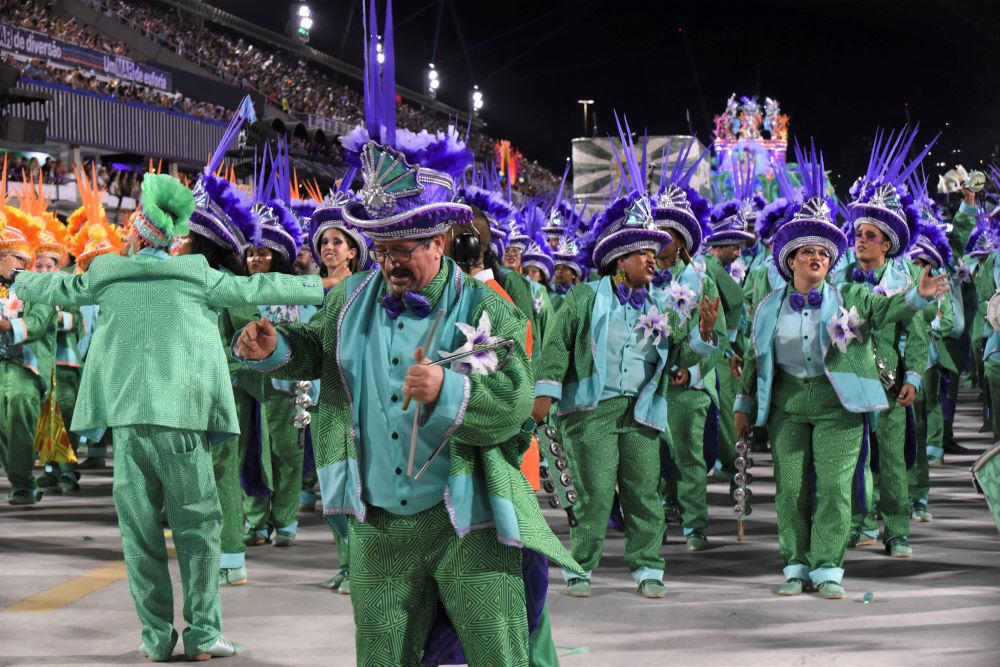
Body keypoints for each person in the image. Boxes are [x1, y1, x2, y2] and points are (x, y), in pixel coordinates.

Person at [236, 12, 579, 662]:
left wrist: (447, 386)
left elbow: (511, 401)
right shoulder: (350, 300)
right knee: (382, 650)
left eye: (404, 247)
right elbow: (319, 353)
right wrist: (276, 348)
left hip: (466, 517)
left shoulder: (486, 306)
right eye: (381, 246)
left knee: (499, 648)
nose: (389, 260)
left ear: (441, 240)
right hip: (379, 524)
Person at [13, 172, 324, 660]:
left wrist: (16, 275)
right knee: (197, 531)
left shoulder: (107, 272)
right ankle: (203, 635)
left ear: (137, 234)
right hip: (180, 422)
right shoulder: (195, 273)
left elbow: (55, 286)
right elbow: (259, 285)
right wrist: (321, 286)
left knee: (139, 536)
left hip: (128, 425)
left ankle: (155, 639)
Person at [734, 142, 949, 599]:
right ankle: (795, 564)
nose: (817, 257)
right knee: (791, 490)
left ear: (831, 265)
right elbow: (755, 358)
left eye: (824, 253)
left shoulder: (849, 297)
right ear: (790, 259)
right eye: (807, 251)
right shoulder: (768, 307)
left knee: (835, 486)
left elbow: (885, 310)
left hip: (841, 402)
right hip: (788, 404)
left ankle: (829, 567)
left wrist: (917, 297)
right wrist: (744, 404)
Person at [533, 122, 719, 598]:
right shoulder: (583, 298)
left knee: (644, 492)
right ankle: (580, 565)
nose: (655, 260)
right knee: (594, 495)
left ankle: (647, 565)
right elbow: (555, 346)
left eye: (657, 253)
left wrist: (702, 333)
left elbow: (678, 352)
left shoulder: (661, 304)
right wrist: (544, 393)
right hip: (592, 413)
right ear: (620, 259)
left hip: (641, 411)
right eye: (645, 253)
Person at [833, 128, 933, 558]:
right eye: (857, 233)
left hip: (891, 384)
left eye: (870, 235)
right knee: (853, 458)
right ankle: (857, 522)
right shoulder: (838, 277)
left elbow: (917, 333)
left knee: (891, 458)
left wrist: (912, 375)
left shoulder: (905, 280)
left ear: (888, 243)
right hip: (850, 377)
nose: (859, 240)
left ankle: (897, 529)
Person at [0, 204, 55, 505]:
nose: (25, 263)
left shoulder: (38, 287)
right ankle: (21, 480)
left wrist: (5, 324)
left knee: (20, 410)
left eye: (25, 258)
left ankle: (22, 484)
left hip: (26, 367)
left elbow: (37, 323)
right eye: (16, 258)